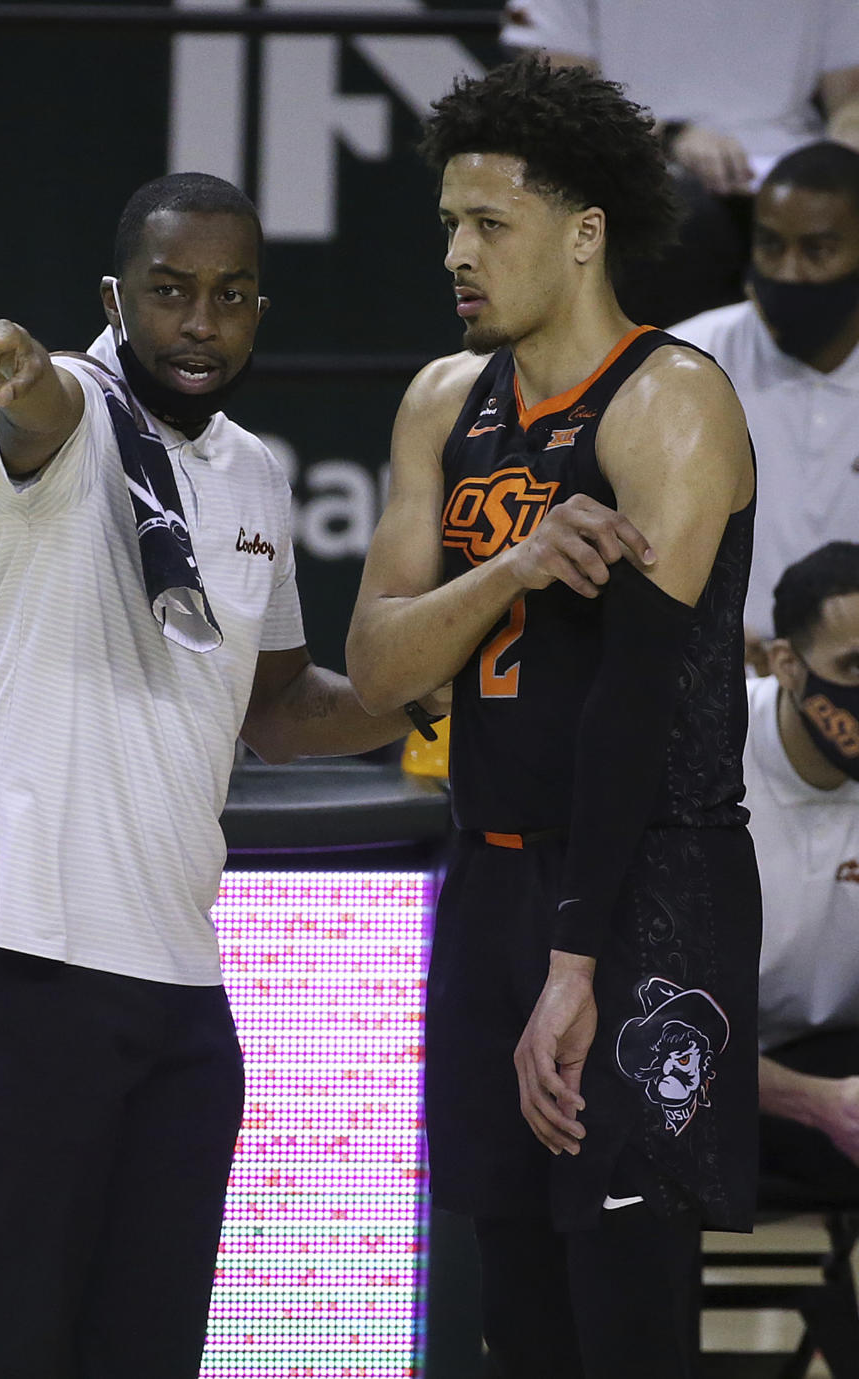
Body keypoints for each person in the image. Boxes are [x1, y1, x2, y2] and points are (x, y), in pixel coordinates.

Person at [0, 172, 443, 1379]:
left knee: (150, 1343)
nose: (200, 322)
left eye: (231, 294)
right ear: (115, 297)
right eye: (169, 293)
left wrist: (445, 673)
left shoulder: (253, 472)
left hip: (174, 973)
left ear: (259, 307)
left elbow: (285, 709)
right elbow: (34, 397)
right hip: (21, 946)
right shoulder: (69, 414)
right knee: (11, 1333)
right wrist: (9, 360)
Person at [346, 55, 760, 1379]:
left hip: (645, 882)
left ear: (584, 236)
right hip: (493, 874)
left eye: (490, 226)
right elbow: (376, 663)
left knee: (625, 1303)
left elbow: (633, 711)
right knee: (514, 1305)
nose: (457, 254)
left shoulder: (671, 400)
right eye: (450, 225)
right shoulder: (439, 402)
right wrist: (516, 565)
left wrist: (579, 965)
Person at [501, 0, 859, 325]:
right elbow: (558, 99)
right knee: (683, 222)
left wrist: (836, 167)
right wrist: (670, 136)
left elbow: (851, 101)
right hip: (639, 165)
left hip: (789, 172)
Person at [673, 142, 859, 673]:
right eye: (771, 246)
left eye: (818, 250)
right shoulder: (680, 365)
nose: (788, 272)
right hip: (713, 684)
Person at [747, 542, 859, 1201]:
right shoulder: (695, 756)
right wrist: (821, 1103)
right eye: (854, 666)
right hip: (706, 1067)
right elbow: (639, 1014)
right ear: (787, 664)